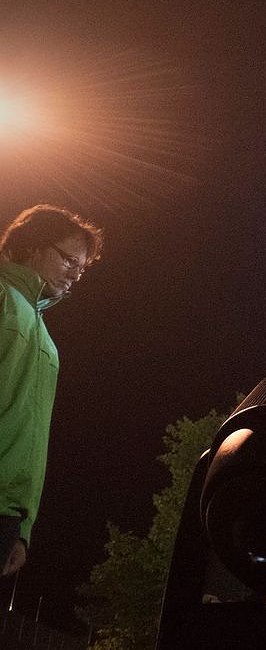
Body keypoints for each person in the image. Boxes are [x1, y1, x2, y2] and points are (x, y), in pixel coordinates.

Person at [0, 205, 103, 576]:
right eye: (70, 261)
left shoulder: (44, 335)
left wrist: (23, 529)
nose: (76, 275)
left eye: (82, 268)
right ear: (34, 246)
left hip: (8, 516)